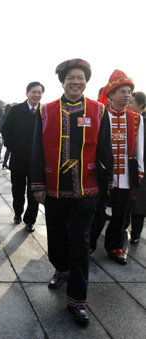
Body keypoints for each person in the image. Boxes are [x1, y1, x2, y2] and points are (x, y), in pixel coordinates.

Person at [31, 59, 113, 324]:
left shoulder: (99, 111)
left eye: (80, 77)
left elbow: (105, 151)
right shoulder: (46, 111)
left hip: (86, 191)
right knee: (56, 240)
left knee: (80, 244)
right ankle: (61, 268)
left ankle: (77, 300)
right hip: (53, 190)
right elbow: (37, 151)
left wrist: (106, 184)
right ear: (63, 82)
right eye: (70, 78)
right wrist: (37, 185)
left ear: (86, 81)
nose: (75, 81)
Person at [92, 70, 144, 263]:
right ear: (111, 94)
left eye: (129, 92)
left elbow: (139, 148)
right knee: (97, 211)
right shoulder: (99, 115)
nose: (127, 95)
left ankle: (114, 247)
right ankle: (89, 243)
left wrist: (139, 171)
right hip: (102, 175)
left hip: (124, 176)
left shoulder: (135, 118)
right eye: (122, 91)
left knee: (121, 214)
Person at [2, 82, 44, 232]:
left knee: (34, 193)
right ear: (27, 93)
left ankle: (30, 220)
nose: (36, 95)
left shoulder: (45, 112)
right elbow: (5, 129)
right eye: (34, 92)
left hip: (37, 162)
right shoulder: (16, 110)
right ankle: (18, 213)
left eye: (39, 93)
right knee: (17, 191)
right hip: (18, 160)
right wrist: (12, 147)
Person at [127, 91, 146, 244]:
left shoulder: (142, 122)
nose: (128, 105)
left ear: (141, 105)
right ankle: (123, 227)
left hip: (141, 169)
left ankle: (136, 233)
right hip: (128, 167)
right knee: (126, 200)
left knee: (139, 203)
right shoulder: (126, 120)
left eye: (131, 103)